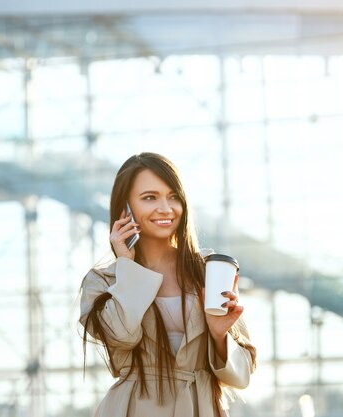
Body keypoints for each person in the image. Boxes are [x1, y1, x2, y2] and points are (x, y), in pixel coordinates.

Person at [79, 152, 256, 417]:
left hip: (200, 408)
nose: (165, 208)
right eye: (150, 197)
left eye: (173, 196)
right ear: (125, 208)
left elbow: (242, 376)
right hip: (134, 408)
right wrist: (128, 267)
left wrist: (219, 336)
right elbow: (122, 337)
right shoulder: (103, 281)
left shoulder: (210, 270)